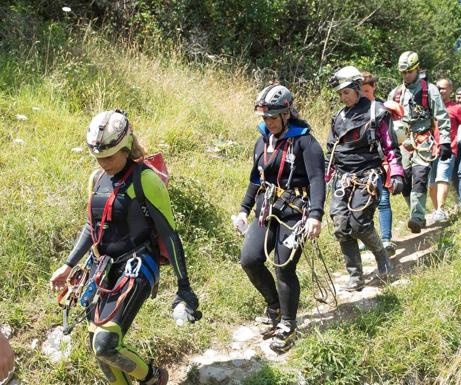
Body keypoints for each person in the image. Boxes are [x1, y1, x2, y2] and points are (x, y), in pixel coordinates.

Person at [50, 110, 201, 385]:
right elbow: (91, 226)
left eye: (109, 156)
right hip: (103, 268)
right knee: (99, 345)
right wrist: (69, 264)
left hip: (138, 264)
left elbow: (169, 234)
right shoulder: (96, 179)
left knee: (106, 344)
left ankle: (154, 378)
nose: (104, 162)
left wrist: (184, 287)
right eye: (98, 157)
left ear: (126, 147)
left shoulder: (146, 180)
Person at [233, 84, 326, 353]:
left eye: (273, 117)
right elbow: (256, 179)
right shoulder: (262, 140)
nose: (268, 122)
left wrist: (316, 216)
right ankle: (273, 305)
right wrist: (243, 210)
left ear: (287, 114)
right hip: (266, 209)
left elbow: (318, 180)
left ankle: (288, 323)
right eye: (265, 117)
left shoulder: (306, 142)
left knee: (284, 267)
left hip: (296, 213)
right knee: (249, 259)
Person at [325, 65, 404, 291]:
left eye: (346, 92)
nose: (343, 97)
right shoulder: (338, 117)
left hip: (368, 175)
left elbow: (390, 147)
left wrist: (396, 173)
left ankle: (382, 258)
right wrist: (321, 180)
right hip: (341, 177)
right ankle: (355, 276)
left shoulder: (377, 111)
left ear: (358, 88)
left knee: (359, 223)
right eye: (340, 94)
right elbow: (329, 152)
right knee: (340, 225)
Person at [387, 51, 450, 233]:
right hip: (403, 142)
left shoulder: (430, 90)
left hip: (423, 140)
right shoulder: (396, 94)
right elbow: (388, 122)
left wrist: (444, 141)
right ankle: (417, 212)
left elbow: (443, 117)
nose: (406, 76)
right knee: (405, 182)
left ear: (417, 69)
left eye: (409, 72)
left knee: (420, 177)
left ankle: (417, 216)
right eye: (403, 73)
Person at [361, 71, 400, 255]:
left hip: (382, 163)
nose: (364, 95)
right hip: (361, 165)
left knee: (383, 201)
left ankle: (386, 239)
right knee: (366, 203)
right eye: (361, 91)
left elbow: (390, 140)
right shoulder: (355, 112)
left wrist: (394, 167)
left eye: (367, 91)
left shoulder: (382, 109)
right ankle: (369, 238)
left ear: (373, 88)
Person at [428, 79, 461, 222]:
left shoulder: (456, 108)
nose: (440, 91)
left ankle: (440, 209)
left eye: (443, 88)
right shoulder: (431, 107)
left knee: (442, 178)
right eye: (438, 88)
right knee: (431, 185)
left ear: (451, 90)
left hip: (449, 149)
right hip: (432, 150)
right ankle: (436, 210)